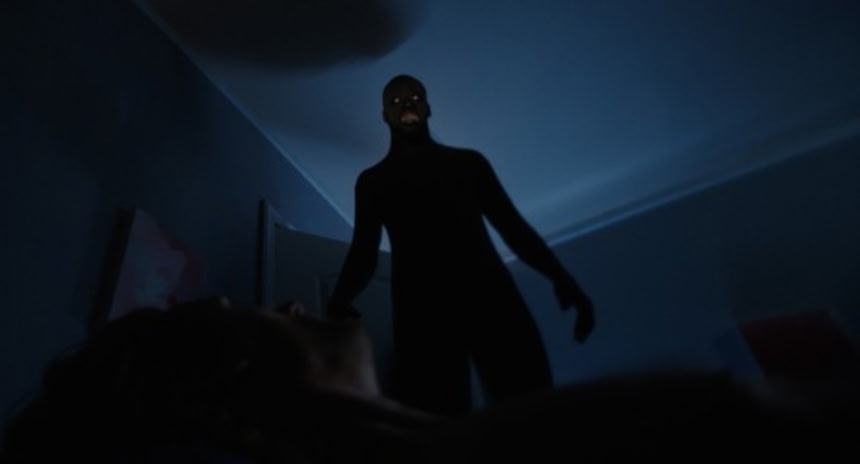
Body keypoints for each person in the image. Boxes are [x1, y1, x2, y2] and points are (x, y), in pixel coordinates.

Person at [325, 74, 595, 415]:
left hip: (490, 295)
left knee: (529, 407)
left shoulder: (468, 165)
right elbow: (364, 252)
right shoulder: (374, 183)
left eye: (414, 98)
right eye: (395, 101)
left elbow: (514, 228)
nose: (406, 105)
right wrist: (340, 299)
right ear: (385, 116)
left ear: (428, 107)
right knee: (440, 420)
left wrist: (562, 278)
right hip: (423, 310)